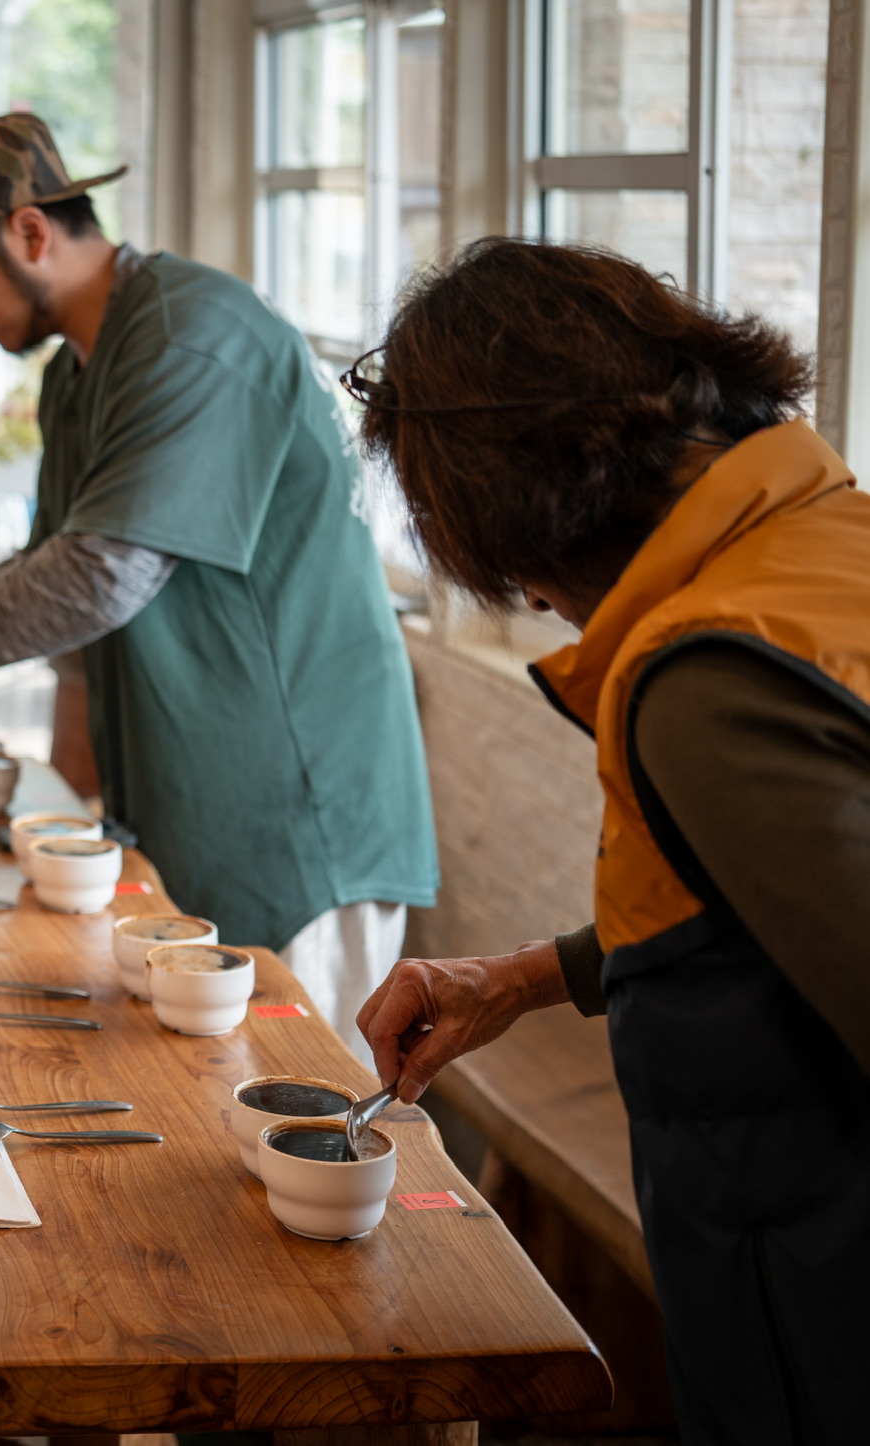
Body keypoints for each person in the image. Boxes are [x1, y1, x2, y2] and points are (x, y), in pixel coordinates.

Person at [349, 238, 870, 1444]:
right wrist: (534, 976)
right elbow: (773, 898)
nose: (530, 599)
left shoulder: (706, 678)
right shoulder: (824, 537)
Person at [0, 115, 437, 1044]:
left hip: (298, 824)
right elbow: (68, 616)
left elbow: (96, 580)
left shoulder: (191, 335)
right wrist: (71, 814)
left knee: (308, 1126)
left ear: (31, 234)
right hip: (187, 816)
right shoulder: (78, 376)